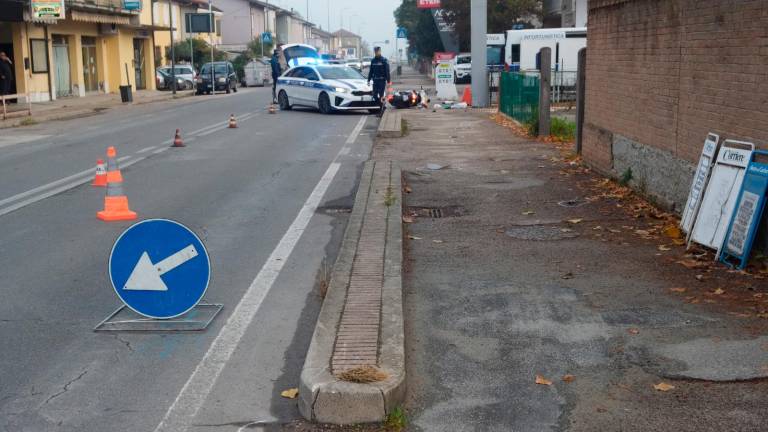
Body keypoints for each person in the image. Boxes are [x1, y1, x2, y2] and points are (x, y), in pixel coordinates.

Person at [367, 46, 390, 116]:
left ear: (380, 51)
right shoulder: (373, 61)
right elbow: (371, 71)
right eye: (375, 52)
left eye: (378, 51)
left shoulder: (384, 60)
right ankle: (383, 107)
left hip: (382, 80)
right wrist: (368, 79)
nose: (376, 53)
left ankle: (381, 112)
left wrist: (388, 81)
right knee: (374, 96)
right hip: (375, 81)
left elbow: (387, 71)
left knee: (381, 96)